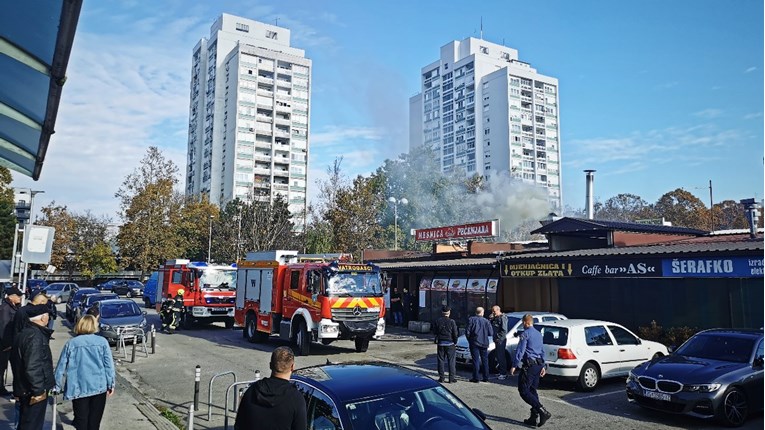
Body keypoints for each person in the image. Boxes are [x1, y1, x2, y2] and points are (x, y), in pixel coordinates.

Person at [55, 315, 115, 430]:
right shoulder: (102, 342)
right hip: (98, 386)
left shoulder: (71, 344)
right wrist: (111, 383)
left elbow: (61, 367)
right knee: (94, 422)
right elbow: (109, 365)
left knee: (81, 421)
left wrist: (57, 386)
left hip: (78, 387)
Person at [235, 346, 307, 430]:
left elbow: (239, 425)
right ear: (292, 367)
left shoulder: (252, 391)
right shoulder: (296, 399)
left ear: (270, 365)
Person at [11, 304, 55, 430]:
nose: (49, 319)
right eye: (47, 316)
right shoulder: (35, 336)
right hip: (32, 391)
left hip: (24, 388)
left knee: (26, 422)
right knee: (32, 424)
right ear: (42, 318)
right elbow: (33, 366)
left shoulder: (24, 333)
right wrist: (39, 391)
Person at [511, 314, 552, 427]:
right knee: (532, 390)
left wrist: (514, 364)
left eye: (523, 323)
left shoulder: (525, 334)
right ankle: (533, 417)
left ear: (525, 322)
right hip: (538, 365)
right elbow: (542, 350)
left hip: (529, 366)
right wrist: (543, 365)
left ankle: (542, 411)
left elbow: (520, 350)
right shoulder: (538, 334)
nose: (523, 325)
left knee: (523, 390)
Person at [0, 287, 22, 396]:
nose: (20, 297)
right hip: (5, 345)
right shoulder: (5, 308)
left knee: (15, 367)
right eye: (18, 296)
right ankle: (0, 388)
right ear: (11, 297)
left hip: (12, 343)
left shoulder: (15, 307)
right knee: (2, 367)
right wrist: (6, 344)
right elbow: (4, 327)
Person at [465, 306, 492, 383]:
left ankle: (476, 377)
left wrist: (470, 340)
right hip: (484, 343)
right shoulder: (486, 321)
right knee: (485, 360)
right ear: (482, 313)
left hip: (474, 342)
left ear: (476, 312)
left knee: (475, 360)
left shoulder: (471, 320)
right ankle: (486, 377)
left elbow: (467, 332)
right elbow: (491, 333)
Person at [433, 305, 458, 383]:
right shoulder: (452, 321)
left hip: (441, 343)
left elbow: (434, 331)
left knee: (440, 360)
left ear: (442, 312)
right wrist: (455, 341)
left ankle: (442, 377)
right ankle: (451, 378)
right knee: (451, 361)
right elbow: (455, 333)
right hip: (450, 343)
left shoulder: (438, 321)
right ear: (449, 312)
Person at [489, 305, 509, 380]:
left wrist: (498, 337)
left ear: (498, 310)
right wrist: (491, 318)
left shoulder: (503, 318)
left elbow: (504, 330)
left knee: (501, 356)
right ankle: (501, 371)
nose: (493, 312)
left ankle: (503, 373)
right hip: (496, 340)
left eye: (494, 311)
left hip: (500, 340)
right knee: (498, 356)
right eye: (492, 311)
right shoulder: (495, 318)